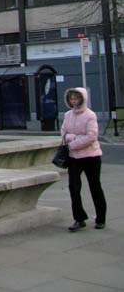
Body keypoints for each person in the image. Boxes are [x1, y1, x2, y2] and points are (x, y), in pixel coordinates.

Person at [61, 87, 106, 232]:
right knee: (73, 187)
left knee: (95, 187)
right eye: (71, 99)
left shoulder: (90, 115)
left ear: (82, 99)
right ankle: (79, 218)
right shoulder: (68, 115)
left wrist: (72, 143)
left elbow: (91, 136)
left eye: (76, 99)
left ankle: (100, 218)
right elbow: (63, 132)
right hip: (74, 158)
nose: (73, 101)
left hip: (91, 157)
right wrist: (70, 137)